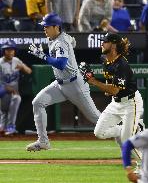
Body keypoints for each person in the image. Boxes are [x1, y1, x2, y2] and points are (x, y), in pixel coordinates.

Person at [26, 12, 100, 151]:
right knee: (38, 102)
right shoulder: (57, 38)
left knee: (97, 119)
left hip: (75, 85)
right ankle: (43, 142)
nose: (44, 29)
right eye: (44, 26)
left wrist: (42, 55)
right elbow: (73, 41)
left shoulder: (60, 41)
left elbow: (60, 63)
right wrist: (70, 41)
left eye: (47, 26)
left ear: (56, 27)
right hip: (60, 84)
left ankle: (126, 134)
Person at [86, 33, 144, 162]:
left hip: (131, 103)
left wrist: (94, 81)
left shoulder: (122, 65)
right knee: (99, 132)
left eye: (105, 42)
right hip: (116, 103)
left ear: (113, 45)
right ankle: (126, 129)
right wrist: (105, 88)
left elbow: (114, 89)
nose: (102, 43)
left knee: (126, 142)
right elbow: (111, 87)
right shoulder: (104, 58)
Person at [0, 40, 32, 135]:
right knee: (3, 111)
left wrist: (22, 67)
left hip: (14, 92)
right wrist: (6, 88)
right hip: (2, 91)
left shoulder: (16, 60)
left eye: (12, 50)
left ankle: (10, 127)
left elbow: (29, 71)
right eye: (7, 50)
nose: (10, 52)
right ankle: (3, 127)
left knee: (16, 98)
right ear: (4, 51)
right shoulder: (0, 62)